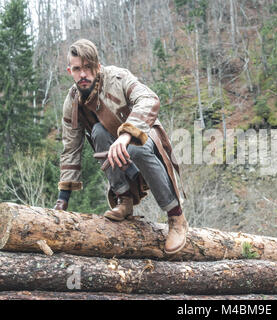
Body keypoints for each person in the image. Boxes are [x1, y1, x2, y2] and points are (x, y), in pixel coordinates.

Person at [53, 39, 188, 254]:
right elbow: (71, 147)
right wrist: (62, 200)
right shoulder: (72, 101)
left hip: (145, 139)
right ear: (70, 71)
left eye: (88, 67)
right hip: (117, 156)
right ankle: (124, 200)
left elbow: (149, 99)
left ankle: (176, 216)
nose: (83, 74)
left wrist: (126, 135)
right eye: (77, 69)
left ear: (98, 66)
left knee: (135, 147)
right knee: (97, 131)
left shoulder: (118, 77)